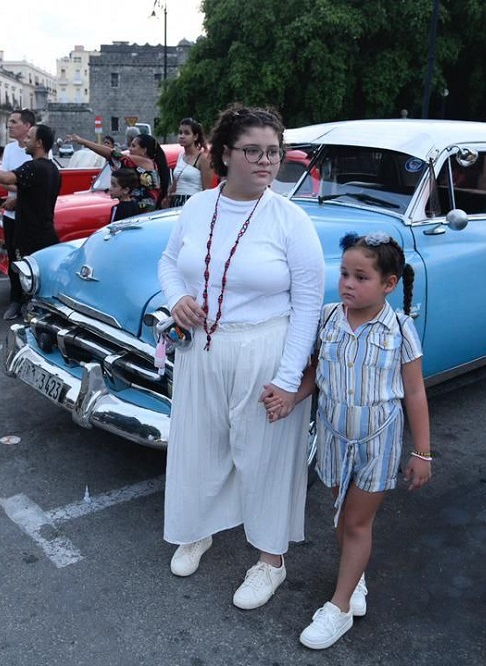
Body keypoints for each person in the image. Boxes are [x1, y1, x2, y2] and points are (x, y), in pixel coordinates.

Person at [157, 105, 325, 611]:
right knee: (199, 444)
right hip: (201, 349)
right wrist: (176, 299)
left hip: (266, 349)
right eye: (253, 150)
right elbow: (169, 264)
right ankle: (196, 529)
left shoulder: (290, 220)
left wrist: (290, 379)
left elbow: (308, 304)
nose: (266, 161)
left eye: (273, 151)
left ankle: (270, 562)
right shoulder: (196, 208)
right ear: (224, 154)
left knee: (269, 458)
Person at [263, 232, 432, 650]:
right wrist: (290, 397)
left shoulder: (400, 330)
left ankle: (338, 608)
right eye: (343, 274)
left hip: (378, 442)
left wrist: (422, 452)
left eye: (361, 277)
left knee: (357, 522)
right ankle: (353, 578)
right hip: (335, 436)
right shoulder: (327, 318)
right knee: (342, 515)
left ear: (388, 284)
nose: (348, 284)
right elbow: (316, 372)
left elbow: (415, 393)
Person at [0, 123, 61, 320]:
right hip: (45, 233)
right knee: (42, 282)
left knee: (31, 282)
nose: (25, 141)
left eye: (29, 137)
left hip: (31, 237)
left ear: (39, 143)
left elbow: (7, 177)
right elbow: (9, 182)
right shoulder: (52, 168)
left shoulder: (33, 167)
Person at [0, 109, 35, 320]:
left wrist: (18, 198)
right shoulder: (10, 149)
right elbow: (3, 178)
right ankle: (15, 299)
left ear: (27, 126)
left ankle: (33, 300)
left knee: (31, 258)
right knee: (12, 258)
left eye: (14, 122)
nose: (9, 125)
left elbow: (40, 180)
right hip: (11, 215)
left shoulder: (38, 149)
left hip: (30, 215)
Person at [68, 131, 170, 211]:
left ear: (144, 150)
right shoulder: (154, 165)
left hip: (139, 212)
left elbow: (111, 154)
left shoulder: (138, 161)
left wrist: (83, 141)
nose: (130, 149)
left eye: (133, 146)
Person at [162, 117, 212, 208]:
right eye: (180, 132)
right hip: (176, 202)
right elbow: (175, 184)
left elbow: (207, 190)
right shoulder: (181, 156)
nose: (182, 136)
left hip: (194, 203)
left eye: (186, 133)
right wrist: (168, 198)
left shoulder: (203, 158)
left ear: (195, 136)